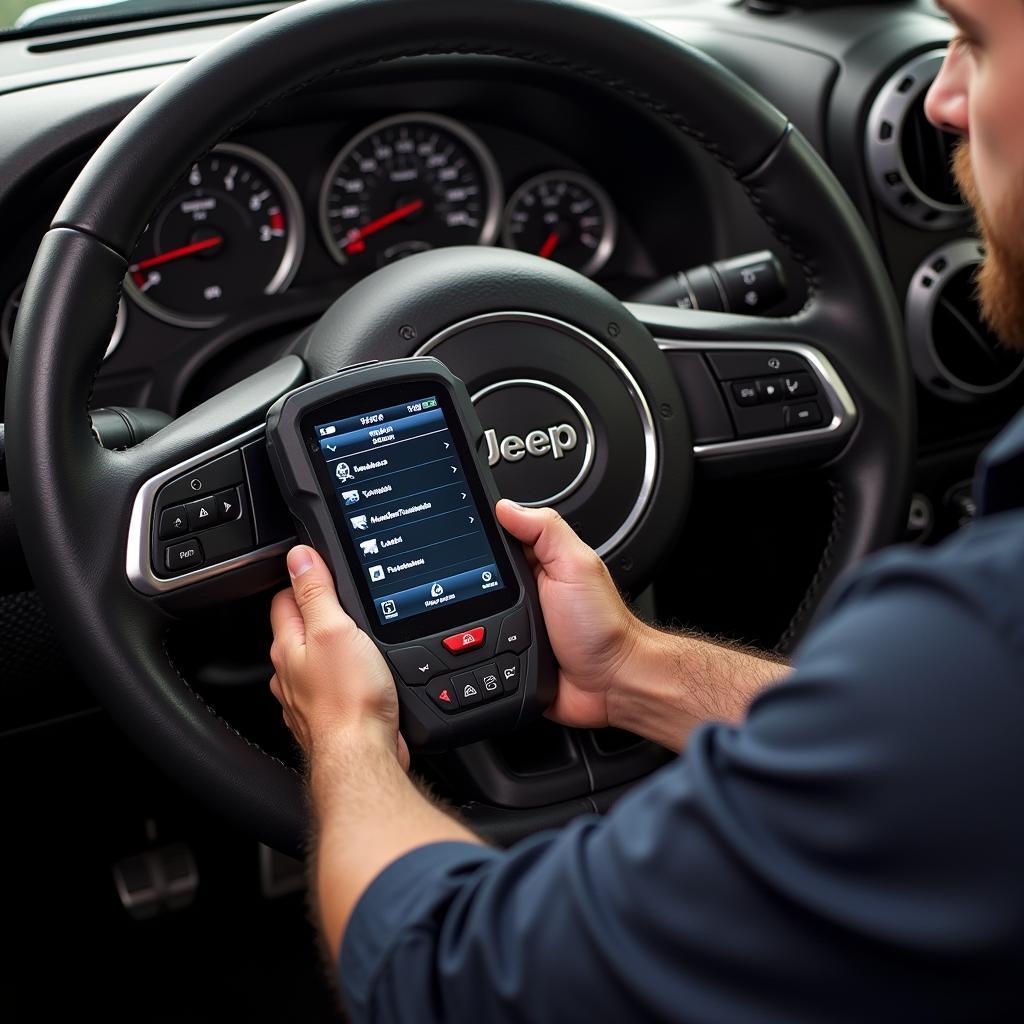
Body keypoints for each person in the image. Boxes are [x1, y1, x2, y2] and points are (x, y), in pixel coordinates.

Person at [268, 1, 1024, 1018]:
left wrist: (346, 735)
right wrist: (635, 669)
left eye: (973, 40)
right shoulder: (974, 664)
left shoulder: (982, 643)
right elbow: (933, 772)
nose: (937, 98)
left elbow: (447, 976)